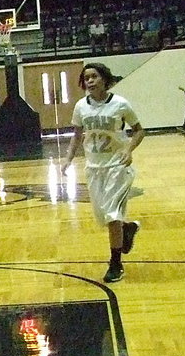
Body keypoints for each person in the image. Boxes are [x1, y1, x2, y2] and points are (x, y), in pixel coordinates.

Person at [58, 61, 144, 283]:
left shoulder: (121, 104)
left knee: (112, 215)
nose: (90, 81)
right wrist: (68, 159)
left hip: (117, 167)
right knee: (104, 217)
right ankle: (128, 228)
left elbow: (139, 131)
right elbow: (77, 135)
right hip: (94, 168)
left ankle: (115, 264)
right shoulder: (81, 107)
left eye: (94, 76)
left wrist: (128, 149)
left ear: (104, 79)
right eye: (86, 78)